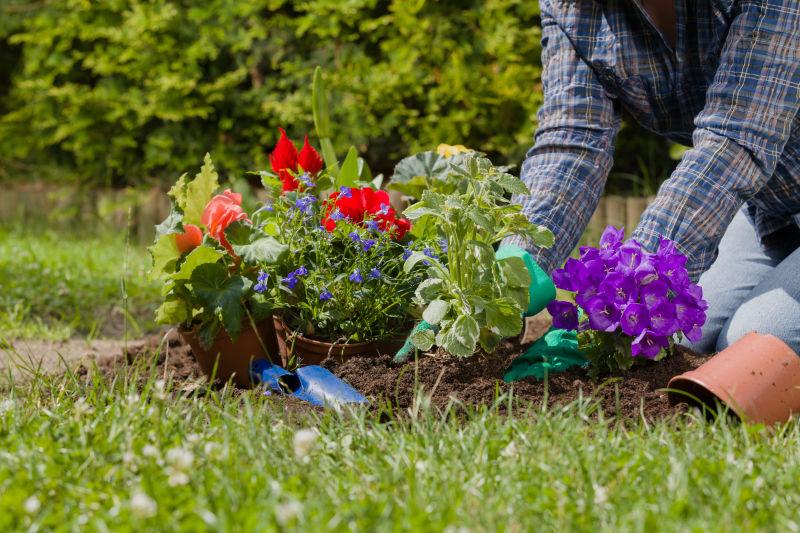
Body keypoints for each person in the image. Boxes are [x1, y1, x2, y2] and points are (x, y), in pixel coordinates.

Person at [504, 0, 800, 354]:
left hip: (755, 167)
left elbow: (735, 137)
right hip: (771, 211)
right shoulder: (571, 7)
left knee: (753, 341)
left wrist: (631, 285)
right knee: (697, 338)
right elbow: (572, 138)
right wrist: (517, 260)